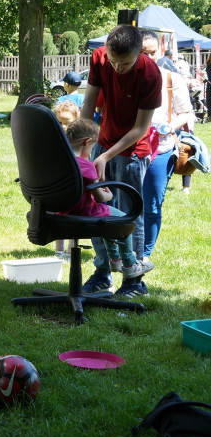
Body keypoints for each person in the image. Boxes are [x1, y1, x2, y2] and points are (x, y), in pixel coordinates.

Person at [80, 24, 162, 298]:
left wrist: (105, 155)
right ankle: (103, 273)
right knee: (98, 209)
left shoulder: (150, 74)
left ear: (140, 53)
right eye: (113, 61)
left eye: (124, 63)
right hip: (102, 143)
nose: (117, 67)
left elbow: (141, 128)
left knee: (129, 213)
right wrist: (84, 143)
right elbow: (89, 105)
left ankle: (133, 279)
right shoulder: (101, 57)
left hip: (133, 150)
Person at [61, 119, 152, 279]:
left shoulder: (58, 162)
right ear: (86, 142)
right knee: (124, 221)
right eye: (91, 147)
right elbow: (101, 198)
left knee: (108, 221)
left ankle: (115, 259)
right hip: (86, 212)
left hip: (63, 212)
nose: (91, 152)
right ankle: (130, 264)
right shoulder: (86, 166)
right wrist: (109, 194)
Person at [141, 41, 195, 261]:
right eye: (143, 52)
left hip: (161, 149)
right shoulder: (124, 76)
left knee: (152, 204)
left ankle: (144, 254)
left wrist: (169, 127)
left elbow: (186, 113)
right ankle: (125, 253)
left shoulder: (172, 78)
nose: (148, 57)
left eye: (152, 52)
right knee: (124, 203)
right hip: (128, 151)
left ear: (159, 52)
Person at [52, 99, 80, 260]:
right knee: (58, 218)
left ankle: (70, 251)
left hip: (74, 185)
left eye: (67, 122)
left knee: (72, 218)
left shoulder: (79, 141)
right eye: (59, 122)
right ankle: (58, 251)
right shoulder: (56, 139)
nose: (63, 126)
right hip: (59, 185)